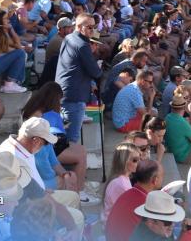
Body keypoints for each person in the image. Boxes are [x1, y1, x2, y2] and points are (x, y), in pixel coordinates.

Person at [55, 12, 103, 143]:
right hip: (74, 96)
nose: (93, 30)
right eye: (90, 27)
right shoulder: (82, 45)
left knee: (63, 136)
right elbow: (95, 72)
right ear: (79, 26)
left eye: (94, 27)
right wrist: (98, 69)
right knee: (71, 140)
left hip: (64, 91)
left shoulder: (69, 37)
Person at [105, 159, 164, 241]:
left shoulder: (128, 193)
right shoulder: (147, 204)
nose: (163, 178)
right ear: (155, 180)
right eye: (162, 176)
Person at [102, 142, 141, 222]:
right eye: (135, 160)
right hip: (114, 226)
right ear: (124, 161)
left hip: (114, 222)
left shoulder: (122, 178)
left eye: (139, 159)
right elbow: (131, 212)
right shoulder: (121, 184)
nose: (139, 162)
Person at [164, 93, 191, 163]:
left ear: (172, 107)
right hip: (182, 156)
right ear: (184, 107)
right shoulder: (182, 122)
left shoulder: (167, 117)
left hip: (173, 152)